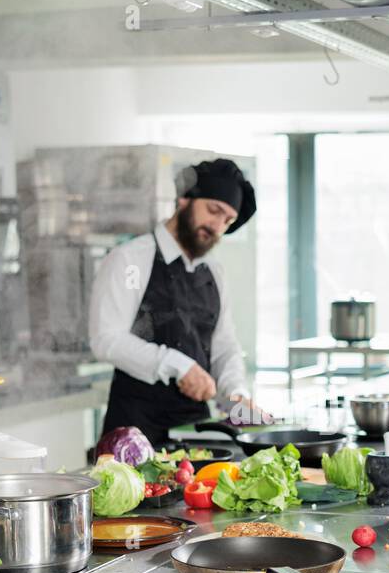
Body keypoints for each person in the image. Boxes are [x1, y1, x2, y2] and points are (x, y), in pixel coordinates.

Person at [89, 159, 267, 445]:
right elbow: (105, 339)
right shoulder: (129, 259)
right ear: (185, 199)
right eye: (213, 211)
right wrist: (177, 365)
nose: (217, 226)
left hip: (193, 434)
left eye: (227, 221)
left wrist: (236, 395)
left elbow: (225, 345)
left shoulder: (213, 272)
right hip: (133, 435)